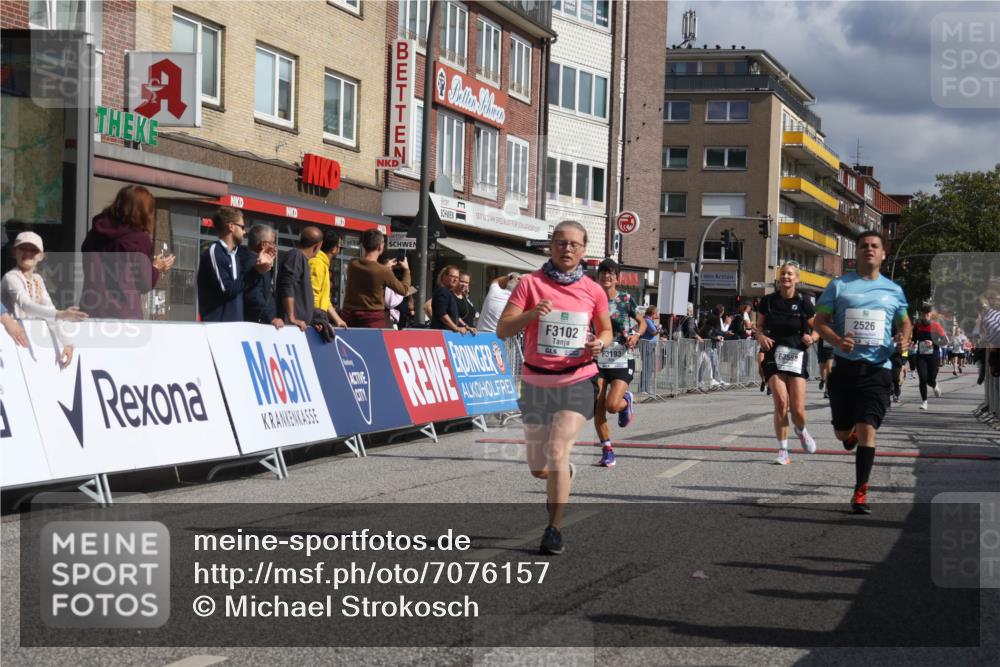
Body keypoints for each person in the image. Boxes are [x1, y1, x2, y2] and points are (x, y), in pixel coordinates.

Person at [497, 221, 612, 555]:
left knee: (559, 450)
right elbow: (503, 329)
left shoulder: (593, 290)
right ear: (551, 246)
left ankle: (553, 529)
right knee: (539, 467)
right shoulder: (530, 284)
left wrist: (599, 345)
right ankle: (564, 473)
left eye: (574, 244)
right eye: (561, 243)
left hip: (578, 379)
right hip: (535, 381)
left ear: (584, 250)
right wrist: (531, 314)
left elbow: (606, 330)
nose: (567, 249)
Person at [814, 230, 910, 514]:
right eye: (863, 245)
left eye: (874, 246)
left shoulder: (894, 290)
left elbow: (905, 323)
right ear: (856, 252)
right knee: (843, 435)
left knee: (869, 429)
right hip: (844, 369)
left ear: (883, 254)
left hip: (878, 371)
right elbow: (819, 322)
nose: (869, 249)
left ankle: (860, 492)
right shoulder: (839, 286)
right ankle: (849, 433)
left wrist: (904, 338)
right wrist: (837, 341)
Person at [755, 262, 818, 465]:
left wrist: (813, 338)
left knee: (797, 410)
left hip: (797, 355)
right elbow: (759, 327)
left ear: (797, 279)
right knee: (781, 403)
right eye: (783, 274)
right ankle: (783, 451)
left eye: (790, 274)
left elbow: (818, 328)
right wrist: (760, 337)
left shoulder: (804, 303)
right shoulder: (768, 301)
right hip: (774, 355)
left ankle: (801, 431)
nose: (786, 277)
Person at [80, 184, 175, 319]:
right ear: (143, 211)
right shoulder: (139, 239)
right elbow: (144, 284)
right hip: (123, 314)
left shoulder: (94, 234)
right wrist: (156, 267)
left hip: (90, 311)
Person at [1, 232, 88, 367]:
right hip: (7, 338)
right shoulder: (10, 277)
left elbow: (49, 310)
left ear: (41, 256)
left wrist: (66, 342)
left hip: (24, 340)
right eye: (23, 248)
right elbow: (26, 305)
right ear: (14, 252)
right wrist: (60, 313)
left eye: (34, 250)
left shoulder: (38, 279)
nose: (28, 253)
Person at [592, 259, 646, 468]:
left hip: (622, 358)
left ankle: (626, 401)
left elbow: (642, 323)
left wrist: (636, 336)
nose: (606, 276)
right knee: (598, 405)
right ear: (598, 276)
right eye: (603, 273)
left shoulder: (625, 299)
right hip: (599, 360)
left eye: (610, 273)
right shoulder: (592, 300)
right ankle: (607, 451)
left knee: (612, 406)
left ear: (617, 277)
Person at [197, 207, 272, 322]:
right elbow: (226, 289)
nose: (244, 231)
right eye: (242, 227)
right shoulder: (215, 251)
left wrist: (259, 267)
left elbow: (242, 289)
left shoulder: (235, 255)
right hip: (218, 326)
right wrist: (255, 271)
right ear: (231, 226)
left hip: (235, 326)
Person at [340, 229, 411, 328]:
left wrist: (385, 268)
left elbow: (370, 272)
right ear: (380, 247)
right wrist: (407, 270)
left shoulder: (353, 264)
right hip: (372, 319)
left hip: (349, 317)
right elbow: (404, 290)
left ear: (364, 245)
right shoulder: (384, 271)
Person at [278, 226, 323, 331]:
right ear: (317, 246)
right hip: (290, 328)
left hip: (300, 327)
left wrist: (313, 321)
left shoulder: (302, 259)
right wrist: (291, 317)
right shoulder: (295, 256)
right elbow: (287, 285)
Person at [243, 224, 283, 329]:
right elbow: (254, 294)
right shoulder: (256, 264)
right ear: (264, 245)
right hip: (257, 325)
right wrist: (271, 318)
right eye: (273, 243)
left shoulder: (249, 260)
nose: (275, 247)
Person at [912, 303, 947, 410]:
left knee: (930, 379)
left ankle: (935, 385)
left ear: (931, 315)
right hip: (921, 356)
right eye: (923, 314)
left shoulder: (936, 326)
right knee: (922, 379)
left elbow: (945, 340)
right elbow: (914, 338)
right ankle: (924, 402)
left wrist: (933, 342)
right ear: (921, 315)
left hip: (934, 356)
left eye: (927, 314)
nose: (925, 316)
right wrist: (912, 342)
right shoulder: (917, 325)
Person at [310, 230, 347, 328]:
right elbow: (313, 295)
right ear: (334, 249)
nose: (340, 251)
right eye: (340, 248)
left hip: (318, 317)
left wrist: (338, 320)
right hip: (314, 320)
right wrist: (317, 320)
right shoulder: (317, 263)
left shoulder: (322, 264)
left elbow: (325, 299)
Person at [431, 265, 473, 334]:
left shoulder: (448, 292)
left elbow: (455, 316)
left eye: (457, 277)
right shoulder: (443, 291)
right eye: (452, 276)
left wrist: (466, 326)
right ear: (444, 276)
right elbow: (441, 314)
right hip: (443, 334)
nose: (455, 279)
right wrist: (455, 328)